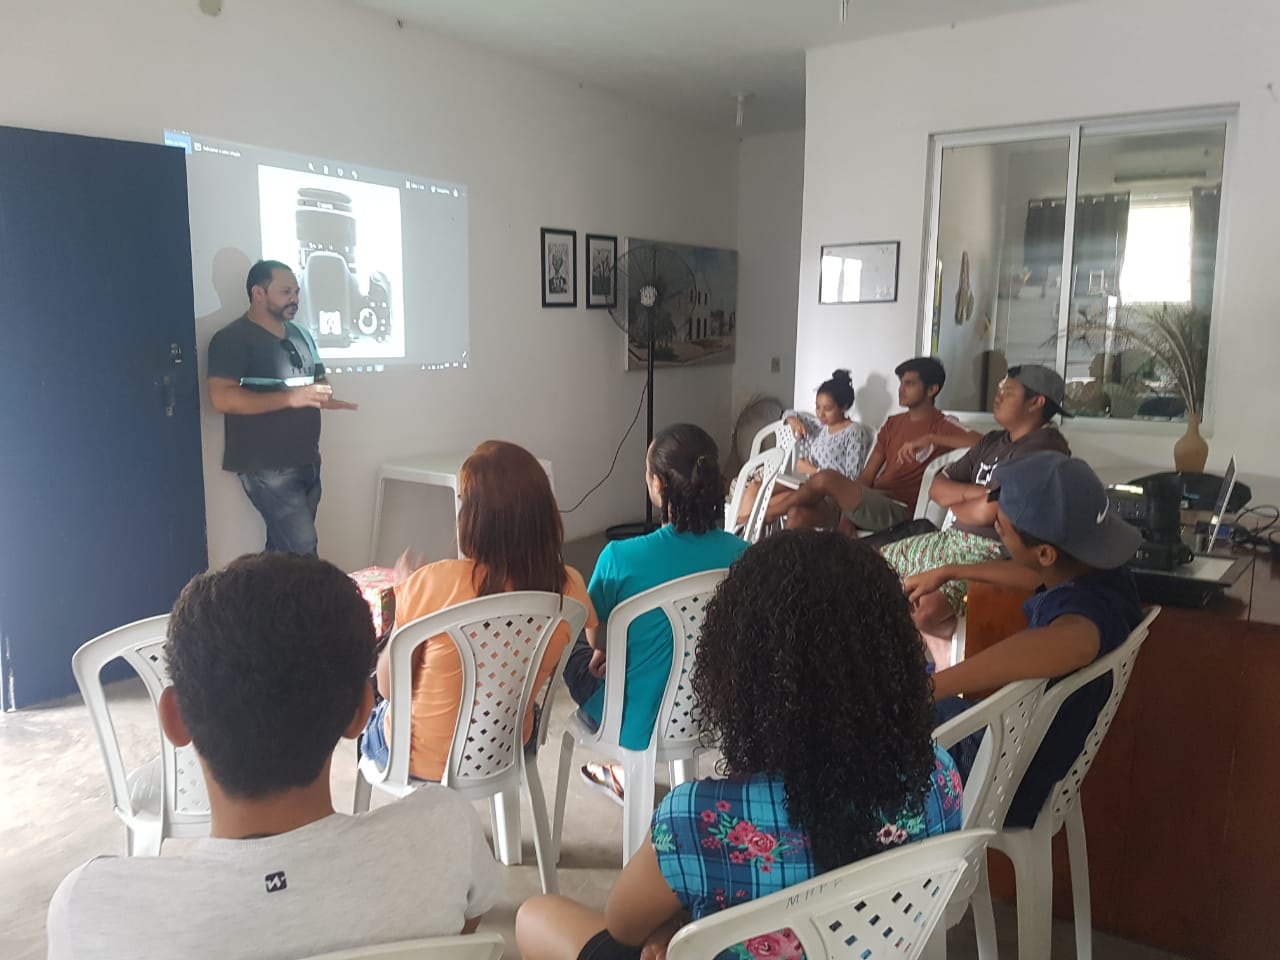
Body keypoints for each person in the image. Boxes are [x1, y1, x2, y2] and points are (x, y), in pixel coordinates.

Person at [516, 531, 964, 960]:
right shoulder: (940, 778)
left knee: (535, 917)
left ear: (741, 673)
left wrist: (675, 923)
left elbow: (623, 923)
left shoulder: (700, 818)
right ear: (892, 654)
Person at [47, 553, 499, 960]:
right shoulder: (448, 834)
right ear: (361, 713)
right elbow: (466, 926)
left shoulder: (89, 911)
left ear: (174, 719)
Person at [905, 451, 1144, 827]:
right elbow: (1037, 575)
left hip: (998, 779)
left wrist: (932, 687)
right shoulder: (1100, 571)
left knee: (869, 723)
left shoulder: (1084, 617)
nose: (997, 531)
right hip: (1020, 752)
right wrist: (953, 571)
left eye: (1000, 528)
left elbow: (1077, 641)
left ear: (1045, 552)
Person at [361, 440, 597, 782]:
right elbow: (592, 636)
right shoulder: (569, 584)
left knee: (373, 706)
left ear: (473, 517)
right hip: (508, 748)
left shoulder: (431, 582)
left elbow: (388, 686)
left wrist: (406, 597)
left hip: (417, 758)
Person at [565, 424, 748, 803]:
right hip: (709, 710)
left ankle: (623, 771)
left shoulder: (619, 557)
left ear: (658, 485)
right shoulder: (743, 554)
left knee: (573, 646)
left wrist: (603, 651)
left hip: (633, 719)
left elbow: (596, 636)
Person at [881, 364, 1072, 658]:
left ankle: (946, 656)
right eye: (1000, 389)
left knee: (922, 608)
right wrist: (980, 495)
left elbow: (987, 514)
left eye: (1009, 392)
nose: (998, 396)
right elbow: (936, 487)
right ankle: (936, 650)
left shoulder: (1044, 449)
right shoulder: (992, 440)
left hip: (993, 551)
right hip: (951, 540)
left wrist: (963, 501)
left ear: (1036, 402)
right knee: (872, 566)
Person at [206, 259, 357, 557]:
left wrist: (323, 394)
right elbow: (222, 398)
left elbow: (319, 380)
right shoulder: (231, 339)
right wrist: (291, 398)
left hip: (306, 458)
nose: (294, 299)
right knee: (302, 550)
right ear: (258, 293)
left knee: (283, 555)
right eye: (285, 292)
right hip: (266, 465)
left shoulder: (302, 334)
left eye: (296, 292)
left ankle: (259, 590)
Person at [766, 357, 979, 533]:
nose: (901, 390)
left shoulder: (943, 424)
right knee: (798, 514)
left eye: (910, 384)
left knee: (825, 478)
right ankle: (784, 566)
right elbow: (867, 476)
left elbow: (984, 440)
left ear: (932, 389)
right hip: (868, 500)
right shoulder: (893, 423)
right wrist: (848, 517)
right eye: (901, 383)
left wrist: (932, 439)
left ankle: (768, 514)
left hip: (898, 509)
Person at [734, 370, 873, 528]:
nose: (820, 414)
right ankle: (740, 533)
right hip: (806, 486)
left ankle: (748, 529)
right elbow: (788, 413)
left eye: (827, 409)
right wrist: (793, 421)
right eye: (817, 407)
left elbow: (851, 481)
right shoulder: (821, 427)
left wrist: (812, 470)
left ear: (844, 407)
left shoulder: (854, 433)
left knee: (770, 504)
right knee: (755, 488)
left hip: (829, 497)